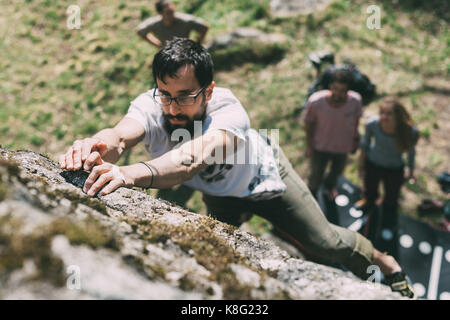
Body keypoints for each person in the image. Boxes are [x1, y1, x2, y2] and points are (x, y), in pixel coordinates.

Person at [59, 38, 414, 298]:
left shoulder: (229, 112)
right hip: (221, 196)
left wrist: (128, 174)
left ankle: (385, 262)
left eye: (185, 95)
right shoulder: (151, 106)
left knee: (326, 243)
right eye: (164, 93)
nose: (171, 107)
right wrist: (96, 146)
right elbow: (121, 136)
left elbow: (191, 160)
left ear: (209, 91)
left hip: (264, 178)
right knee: (214, 261)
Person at [356, 96, 419, 235]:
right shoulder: (372, 124)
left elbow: (411, 153)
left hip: (394, 169)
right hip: (373, 163)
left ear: (398, 115)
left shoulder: (410, 131)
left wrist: (411, 170)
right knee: (370, 189)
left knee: (391, 197)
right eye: (382, 112)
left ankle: (388, 219)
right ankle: (368, 204)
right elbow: (365, 146)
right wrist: (361, 165)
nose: (384, 116)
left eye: (389, 113)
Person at [302, 69, 362, 200]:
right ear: (330, 86)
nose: (338, 94)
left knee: (336, 172)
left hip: (342, 148)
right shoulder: (316, 101)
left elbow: (356, 121)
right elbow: (308, 124)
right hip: (320, 147)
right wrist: (309, 145)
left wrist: (355, 140)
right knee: (316, 174)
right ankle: (312, 195)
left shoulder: (355, 101)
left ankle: (329, 188)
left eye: (342, 90)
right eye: (335, 88)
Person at [137, 0, 209, 49]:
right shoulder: (155, 24)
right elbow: (140, 31)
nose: (172, 15)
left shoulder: (185, 20)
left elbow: (204, 27)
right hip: (167, 52)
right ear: (160, 13)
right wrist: (157, 44)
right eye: (168, 13)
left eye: (172, 11)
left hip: (185, 51)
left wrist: (197, 44)